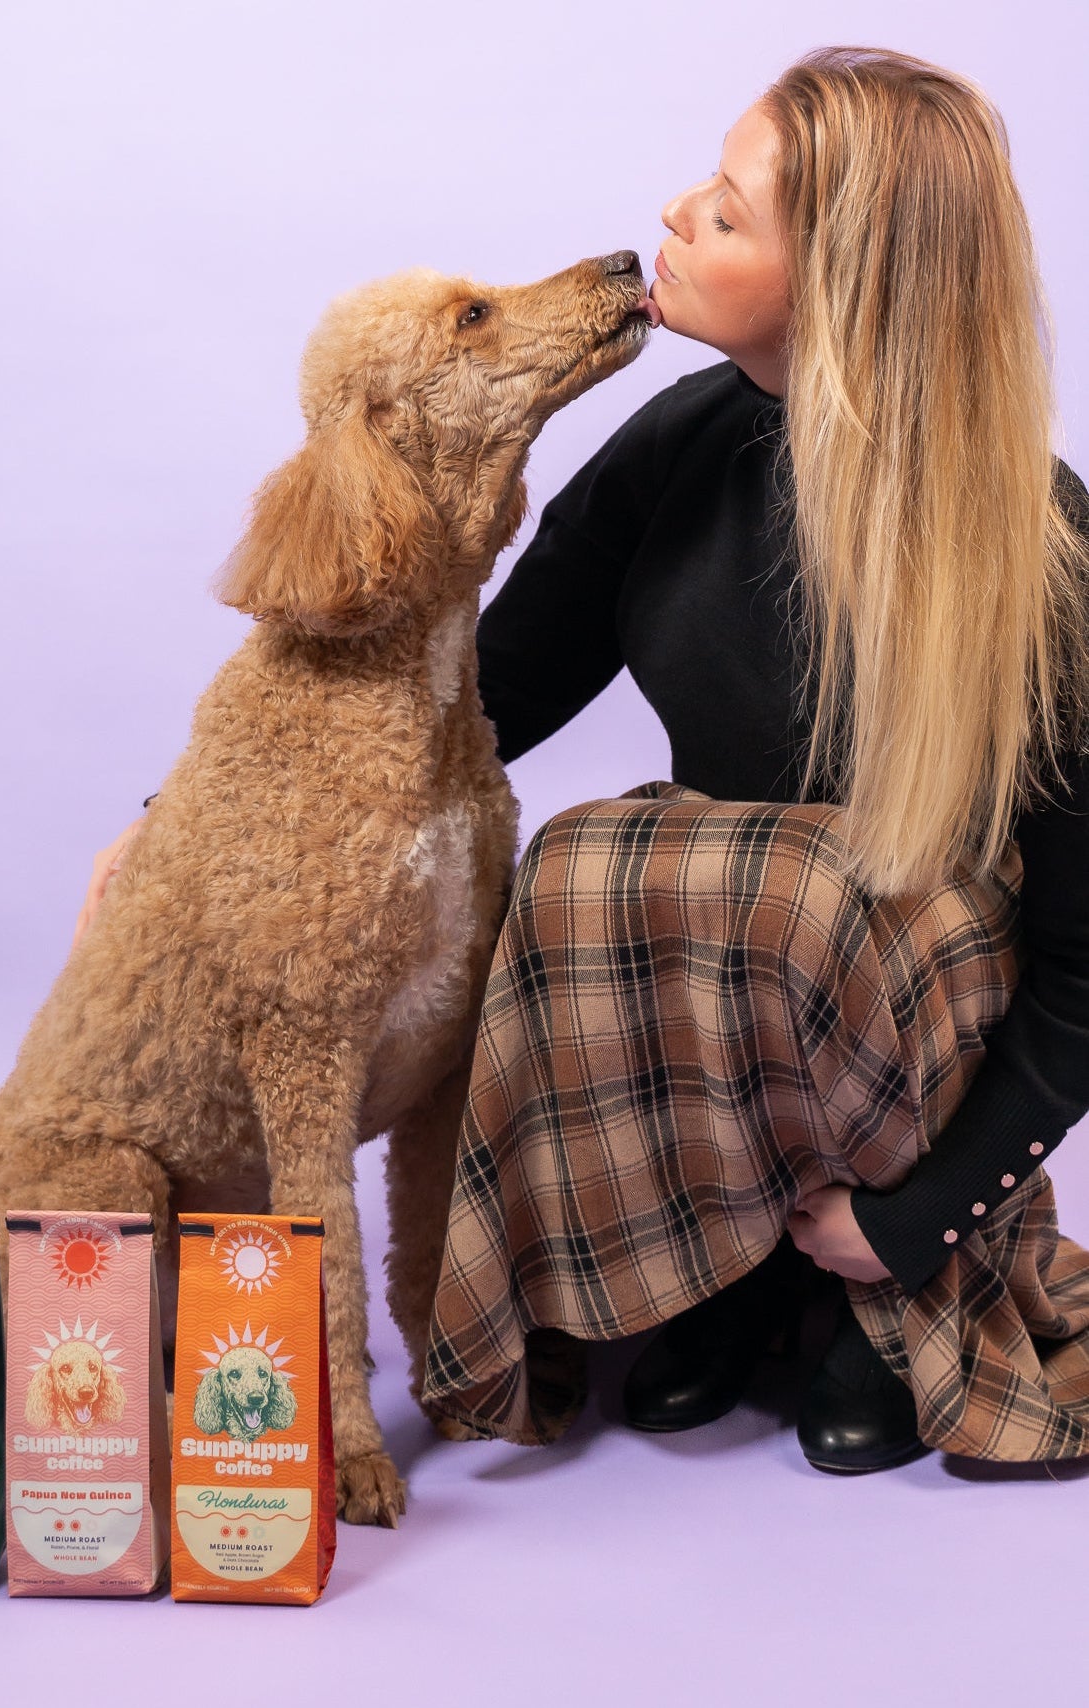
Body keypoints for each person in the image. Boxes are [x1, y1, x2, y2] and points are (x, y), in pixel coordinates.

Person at [81, 45, 1089, 1473]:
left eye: (729, 214)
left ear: (845, 281)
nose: (677, 212)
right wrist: (178, 818)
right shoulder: (684, 441)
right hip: (731, 1001)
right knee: (577, 865)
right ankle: (721, 1274)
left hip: (903, 1023)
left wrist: (915, 1219)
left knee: (789, 888)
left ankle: (865, 1294)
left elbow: (1083, 966)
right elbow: (474, 689)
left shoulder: (1039, 551)